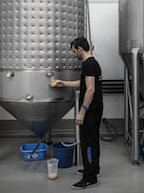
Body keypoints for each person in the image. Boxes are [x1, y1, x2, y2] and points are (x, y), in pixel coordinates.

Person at [53, 37, 103, 190]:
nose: (74, 54)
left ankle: (90, 178)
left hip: (90, 111)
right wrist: (64, 83)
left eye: (74, 51)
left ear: (81, 48)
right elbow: (85, 83)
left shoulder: (88, 65)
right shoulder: (93, 63)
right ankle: (93, 168)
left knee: (87, 143)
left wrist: (82, 112)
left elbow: (90, 89)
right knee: (92, 141)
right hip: (96, 108)